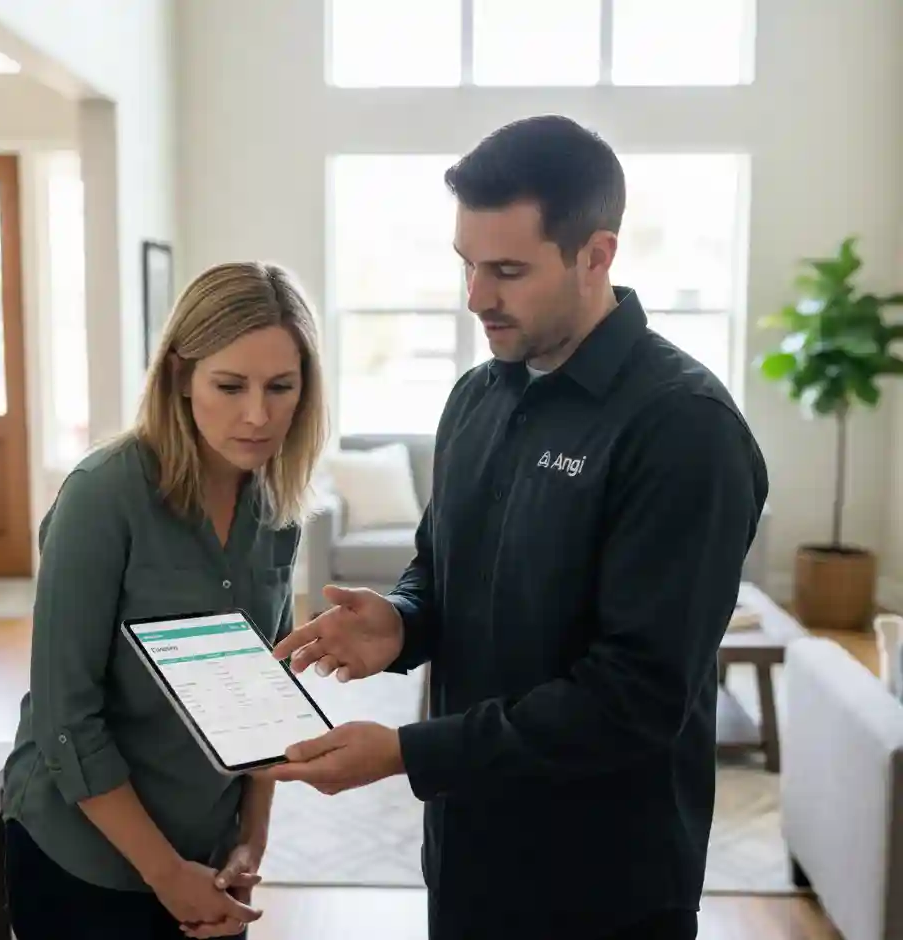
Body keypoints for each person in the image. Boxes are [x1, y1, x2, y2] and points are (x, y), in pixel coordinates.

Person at [254, 115, 769, 939]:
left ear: (596, 255)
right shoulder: (477, 397)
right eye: (466, 263)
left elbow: (635, 698)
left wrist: (407, 752)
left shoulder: (684, 428)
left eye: (507, 270)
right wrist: (402, 621)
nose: (475, 297)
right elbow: (440, 571)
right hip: (467, 854)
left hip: (606, 886)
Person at [1, 261, 328, 940]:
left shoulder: (278, 507)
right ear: (180, 376)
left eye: (281, 386)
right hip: (85, 855)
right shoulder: (102, 497)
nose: (258, 415)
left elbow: (265, 693)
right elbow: (66, 719)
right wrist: (165, 874)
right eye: (230, 386)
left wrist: (251, 840)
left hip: (210, 854)